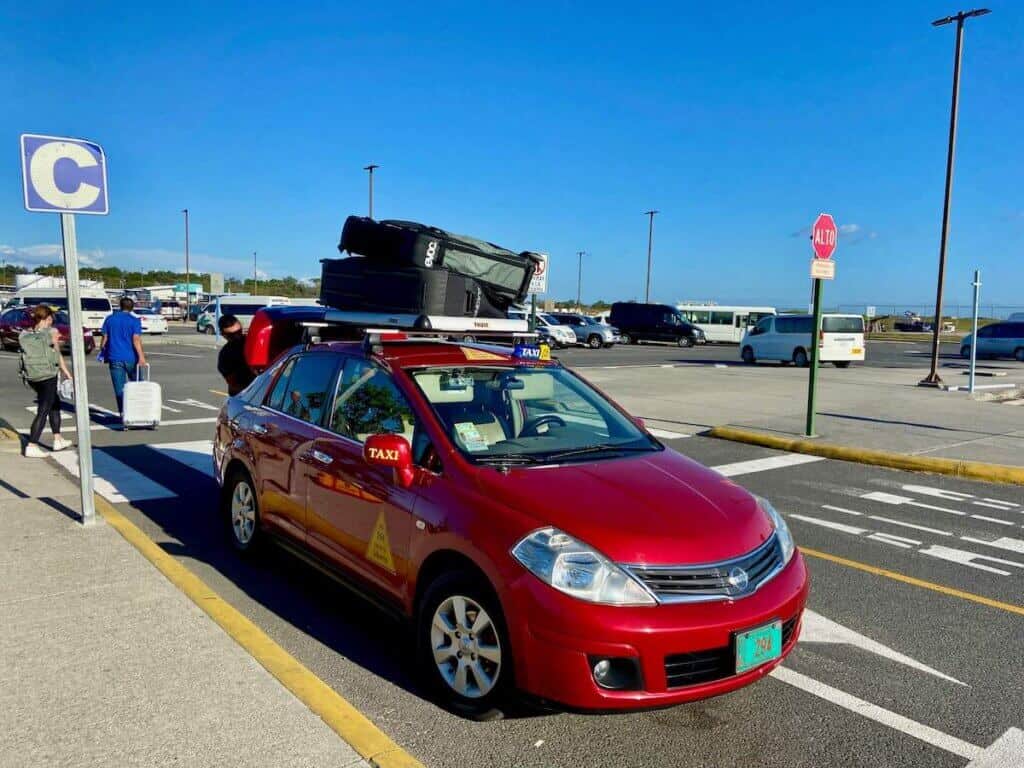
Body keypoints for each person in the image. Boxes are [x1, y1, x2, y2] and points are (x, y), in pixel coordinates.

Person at [19, 305, 73, 457]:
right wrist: (66, 372)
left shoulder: (24, 334)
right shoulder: (52, 332)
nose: (51, 322)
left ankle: (58, 438)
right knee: (43, 409)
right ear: (45, 318)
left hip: (31, 376)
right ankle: (32, 444)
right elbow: (57, 354)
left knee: (54, 403)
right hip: (48, 375)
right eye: (49, 319)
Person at [99, 296, 147, 414]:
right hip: (132, 357)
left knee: (119, 388)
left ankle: (123, 413)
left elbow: (105, 338)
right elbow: (136, 339)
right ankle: (138, 411)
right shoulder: (135, 321)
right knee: (137, 385)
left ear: (120, 306)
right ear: (132, 307)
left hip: (114, 357)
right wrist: (141, 356)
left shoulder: (110, 319)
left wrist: (103, 351)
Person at [216, 314, 255, 395]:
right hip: (245, 396)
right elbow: (234, 384)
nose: (237, 337)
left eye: (239, 332)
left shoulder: (254, 341)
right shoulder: (225, 356)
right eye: (232, 335)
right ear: (223, 335)